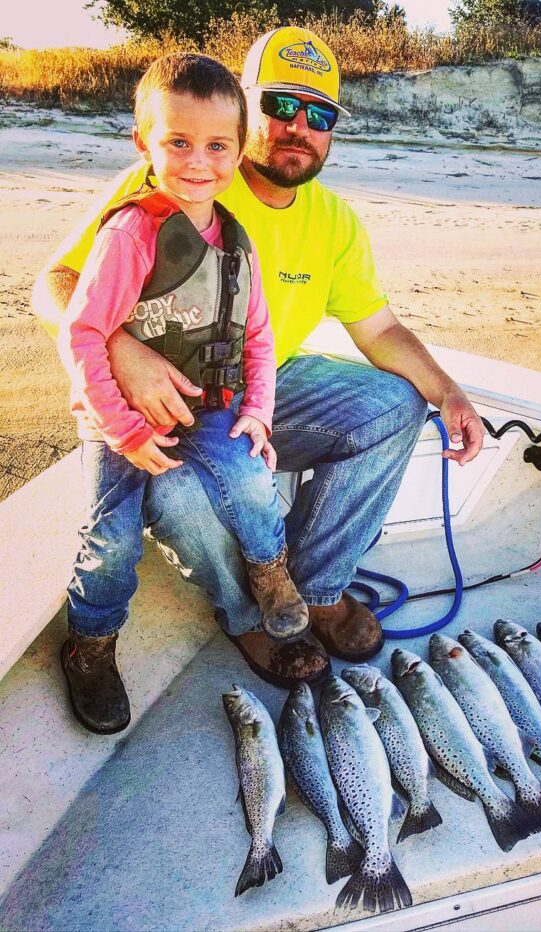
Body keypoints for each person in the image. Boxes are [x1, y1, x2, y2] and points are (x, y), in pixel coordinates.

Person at [34, 26, 485, 705]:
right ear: (245, 109)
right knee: (181, 497)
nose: (299, 127)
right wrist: (125, 354)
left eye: (320, 114)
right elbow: (56, 284)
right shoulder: (177, 177)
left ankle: (314, 592)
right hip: (157, 394)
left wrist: (449, 393)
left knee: (396, 404)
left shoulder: (335, 221)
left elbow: (380, 327)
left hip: (259, 384)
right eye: (281, 106)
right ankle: (247, 618)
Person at [56, 53, 313, 734]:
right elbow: (81, 334)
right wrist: (124, 429)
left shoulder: (236, 240)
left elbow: (257, 336)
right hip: (118, 419)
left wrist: (257, 410)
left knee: (252, 480)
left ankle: (268, 572)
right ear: (144, 142)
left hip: (207, 407)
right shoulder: (130, 233)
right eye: (178, 142)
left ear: (238, 149)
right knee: (109, 537)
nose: (198, 162)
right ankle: (91, 643)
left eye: (216, 146)